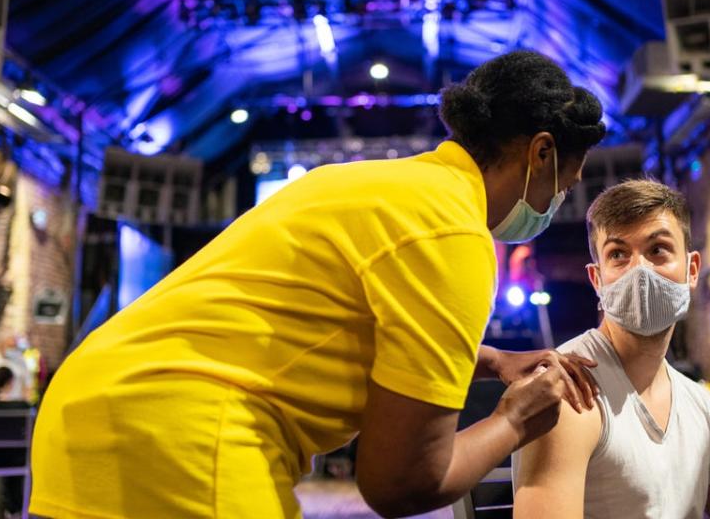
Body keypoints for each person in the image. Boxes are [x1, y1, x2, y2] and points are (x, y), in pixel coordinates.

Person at [30, 50, 607, 519]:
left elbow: (327, 320)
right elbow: (401, 484)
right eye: (565, 183)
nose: (555, 203)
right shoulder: (453, 233)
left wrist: (489, 360)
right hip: (181, 433)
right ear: (541, 152)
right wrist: (512, 420)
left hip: (89, 406)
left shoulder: (376, 186)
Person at [512, 179, 710, 518]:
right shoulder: (567, 392)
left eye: (657, 249)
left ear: (692, 269)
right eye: (618, 254)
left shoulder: (700, 408)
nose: (640, 271)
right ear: (597, 279)